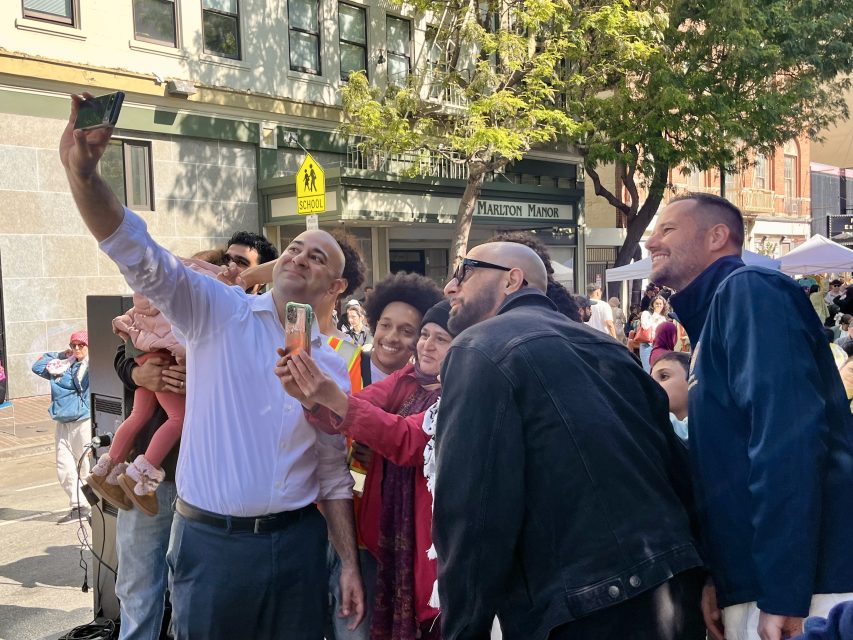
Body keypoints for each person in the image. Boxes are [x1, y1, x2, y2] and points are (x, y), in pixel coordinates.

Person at [59, 93, 363, 639]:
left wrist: (347, 563)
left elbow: (333, 474)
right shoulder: (218, 312)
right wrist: (83, 176)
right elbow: (142, 256)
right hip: (212, 546)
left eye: (318, 257)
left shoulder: (334, 368)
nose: (299, 257)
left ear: (335, 287)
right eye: (294, 247)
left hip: (296, 545)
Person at [435, 242, 704, 640]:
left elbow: (472, 514)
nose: (449, 287)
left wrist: (462, 630)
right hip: (673, 589)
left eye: (465, 270)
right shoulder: (608, 347)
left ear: (512, 279)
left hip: (582, 611)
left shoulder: (480, 348)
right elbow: (677, 468)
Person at [646, 192, 853, 640]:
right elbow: (727, 471)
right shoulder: (715, 317)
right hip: (760, 585)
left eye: (667, 229)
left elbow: (788, 443)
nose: (649, 243)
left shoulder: (750, 291)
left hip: (803, 594)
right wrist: (720, 576)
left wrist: (785, 591)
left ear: (718, 236)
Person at [280, 300, 454, 640]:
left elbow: (406, 439)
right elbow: (360, 406)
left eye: (441, 339)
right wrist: (314, 399)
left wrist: (335, 401)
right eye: (425, 335)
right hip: (382, 537)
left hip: (429, 551)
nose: (425, 345)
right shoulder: (407, 376)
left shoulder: (460, 392)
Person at [86, 257, 221, 516]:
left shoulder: (150, 297)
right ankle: (139, 476)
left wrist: (138, 369)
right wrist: (139, 373)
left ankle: (106, 472)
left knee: (140, 414)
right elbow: (185, 345)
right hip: (163, 360)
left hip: (146, 352)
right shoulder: (188, 303)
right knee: (178, 418)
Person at [31, 330, 92, 524]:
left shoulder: (89, 367)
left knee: (86, 467)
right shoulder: (60, 366)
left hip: (82, 421)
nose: (76, 349)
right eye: (73, 345)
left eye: (81, 345)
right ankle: (79, 505)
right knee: (64, 466)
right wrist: (61, 355)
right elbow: (37, 365)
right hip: (63, 422)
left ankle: (93, 506)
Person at [650, 351, 691, 441]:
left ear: (691, 381)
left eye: (663, 376)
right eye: (651, 380)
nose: (652, 384)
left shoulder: (705, 422)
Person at [638, 295, 668, 372]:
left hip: (659, 345)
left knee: (658, 371)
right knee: (648, 370)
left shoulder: (663, 318)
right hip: (647, 344)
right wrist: (655, 315)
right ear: (652, 305)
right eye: (656, 303)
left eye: (660, 304)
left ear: (663, 305)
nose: (658, 305)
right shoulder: (646, 314)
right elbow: (645, 326)